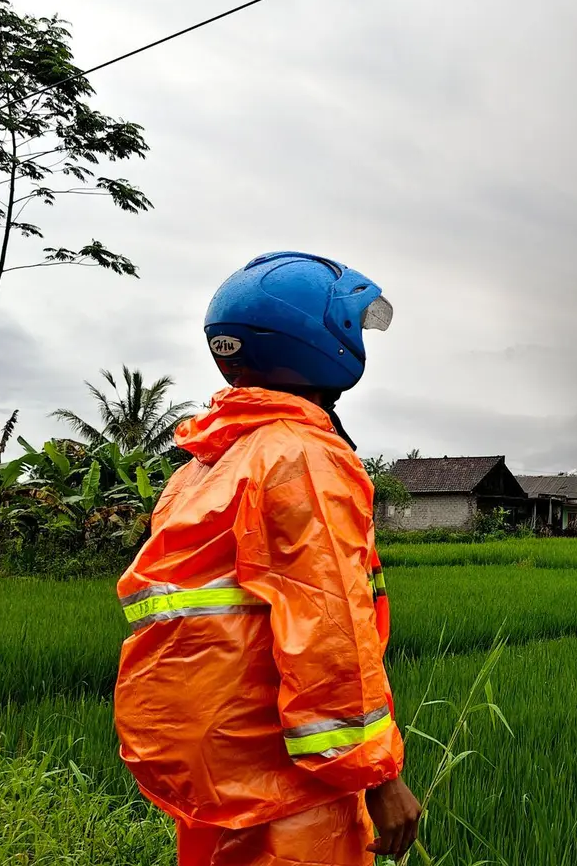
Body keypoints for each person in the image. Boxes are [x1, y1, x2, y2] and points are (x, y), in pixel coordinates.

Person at [113, 251, 420, 865]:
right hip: (283, 777)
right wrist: (378, 778)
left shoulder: (208, 464)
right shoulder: (300, 458)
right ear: (321, 340)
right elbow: (329, 629)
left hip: (216, 762)